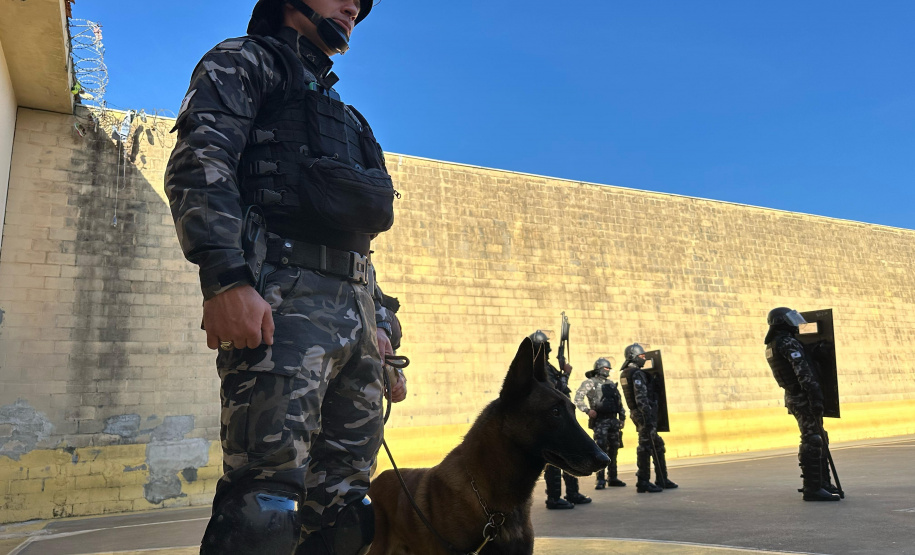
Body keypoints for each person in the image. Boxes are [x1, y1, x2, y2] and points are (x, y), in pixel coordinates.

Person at [164, 0, 406, 552]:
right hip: (283, 303)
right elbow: (199, 163)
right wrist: (225, 278)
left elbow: (356, 237)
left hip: (356, 319)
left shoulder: (348, 117)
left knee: (349, 507)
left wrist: (384, 324)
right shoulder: (244, 62)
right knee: (265, 503)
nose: (352, 7)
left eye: (360, 6)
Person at [764, 307, 840, 502]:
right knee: (812, 439)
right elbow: (803, 372)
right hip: (803, 396)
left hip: (793, 395)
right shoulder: (787, 342)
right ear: (781, 322)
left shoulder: (774, 343)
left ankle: (822, 483)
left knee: (818, 436)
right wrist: (815, 398)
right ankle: (813, 487)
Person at [529, 331, 592, 509]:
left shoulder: (546, 365)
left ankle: (572, 493)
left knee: (570, 454)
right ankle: (554, 498)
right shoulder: (539, 368)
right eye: (546, 345)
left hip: (562, 416)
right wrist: (565, 374)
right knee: (556, 460)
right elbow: (554, 391)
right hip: (553, 419)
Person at [619, 344, 678, 493]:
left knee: (657, 444)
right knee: (645, 446)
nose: (644, 359)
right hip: (643, 414)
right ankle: (643, 481)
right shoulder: (636, 373)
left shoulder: (625, 373)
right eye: (642, 356)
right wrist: (648, 415)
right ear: (633, 356)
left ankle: (662, 479)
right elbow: (641, 397)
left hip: (637, 413)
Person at [575, 358, 627, 489]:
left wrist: (622, 417)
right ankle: (600, 480)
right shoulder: (590, 383)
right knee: (601, 450)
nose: (608, 371)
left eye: (609, 369)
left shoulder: (611, 384)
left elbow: (619, 402)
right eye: (606, 368)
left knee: (614, 449)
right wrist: (587, 410)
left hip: (613, 421)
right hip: (600, 421)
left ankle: (613, 477)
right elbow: (578, 397)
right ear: (599, 369)